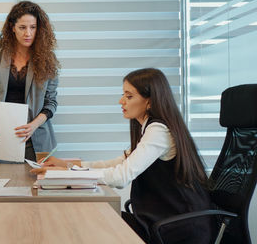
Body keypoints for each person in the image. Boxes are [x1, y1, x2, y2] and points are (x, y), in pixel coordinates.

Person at [34, 68, 214, 243]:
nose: (121, 101)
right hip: (161, 221)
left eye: (129, 96)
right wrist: (67, 166)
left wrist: (69, 174)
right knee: (90, 219)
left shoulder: (159, 131)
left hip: (179, 228)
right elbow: (115, 163)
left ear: (149, 102)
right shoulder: (149, 129)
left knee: (88, 222)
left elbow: (121, 176)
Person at [0, 1, 60, 161]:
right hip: (0, 138)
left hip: (37, 140)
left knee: (35, 185)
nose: (28, 33)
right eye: (22, 27)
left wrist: (33, 125)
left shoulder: (48, 59)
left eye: (33, 27)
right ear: (12, 27)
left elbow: (51, 102)